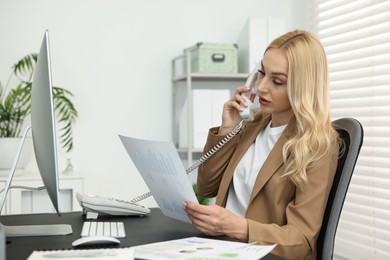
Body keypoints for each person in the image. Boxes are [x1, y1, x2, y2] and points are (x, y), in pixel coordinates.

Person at [183, 30, 341, 260]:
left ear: (303, 88)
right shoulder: (253, 123)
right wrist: (228, 129)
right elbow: (207, 187)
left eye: (277, 81)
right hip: (221, 248)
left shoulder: (319, 147)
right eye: (261, 74)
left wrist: (237, 227)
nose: (262, 87)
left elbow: (301, 241)